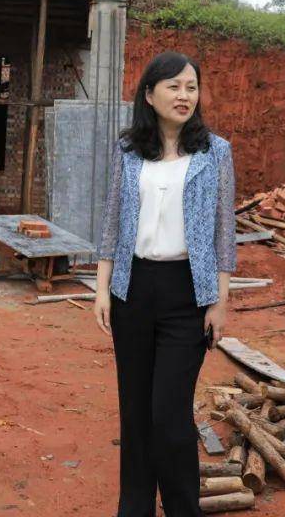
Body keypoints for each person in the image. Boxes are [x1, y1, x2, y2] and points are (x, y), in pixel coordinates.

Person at [93, 51, 236, 517]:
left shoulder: (216, 152)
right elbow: (112, 221)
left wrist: (219, 300)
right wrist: (102, 287)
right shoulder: (128, 151)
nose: (184, 95)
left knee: (169, 418)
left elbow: (223, 231)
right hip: (132, 290)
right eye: (174, 86)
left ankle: (182, 509)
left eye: (192, 86)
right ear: (150, 95)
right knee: (135, 415)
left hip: (187, 295)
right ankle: (133, 509)